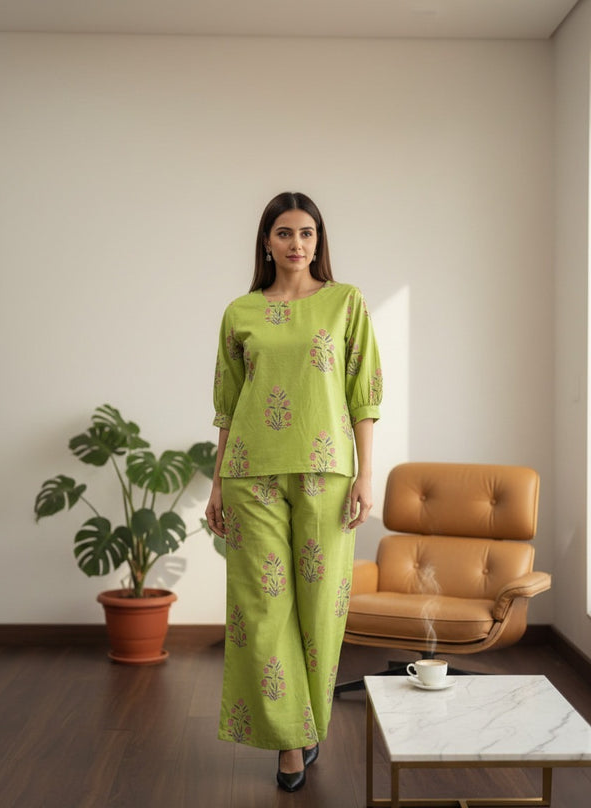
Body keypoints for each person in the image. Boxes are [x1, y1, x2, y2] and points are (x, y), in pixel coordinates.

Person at [205, 191, 382, 792]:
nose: (296, 244)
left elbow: (365, 394)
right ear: (266, 242)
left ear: (318, 241)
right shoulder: (240, 312)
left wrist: (365, 472)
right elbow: (226, 408)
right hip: (250, 473)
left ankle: (310, 727)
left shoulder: (345, 304)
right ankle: (289, 741)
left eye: (307, 233)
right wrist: (216, 486)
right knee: (262, 610)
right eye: (285, 233)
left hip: (326, 471)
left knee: (321, 607)